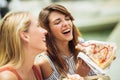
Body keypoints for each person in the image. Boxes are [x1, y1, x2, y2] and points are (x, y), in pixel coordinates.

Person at [35, 4, 95, 80]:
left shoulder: (81, 44)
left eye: (67, 19)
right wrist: (80, 75)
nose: (66, 24)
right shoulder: (45, 62)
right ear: (47, 30)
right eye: (57, 22)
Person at [0, 11, 47, 80]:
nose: (45, 31)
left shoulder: (36, 69)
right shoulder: (6, 77)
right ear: (25, 36)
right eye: (38, 26)